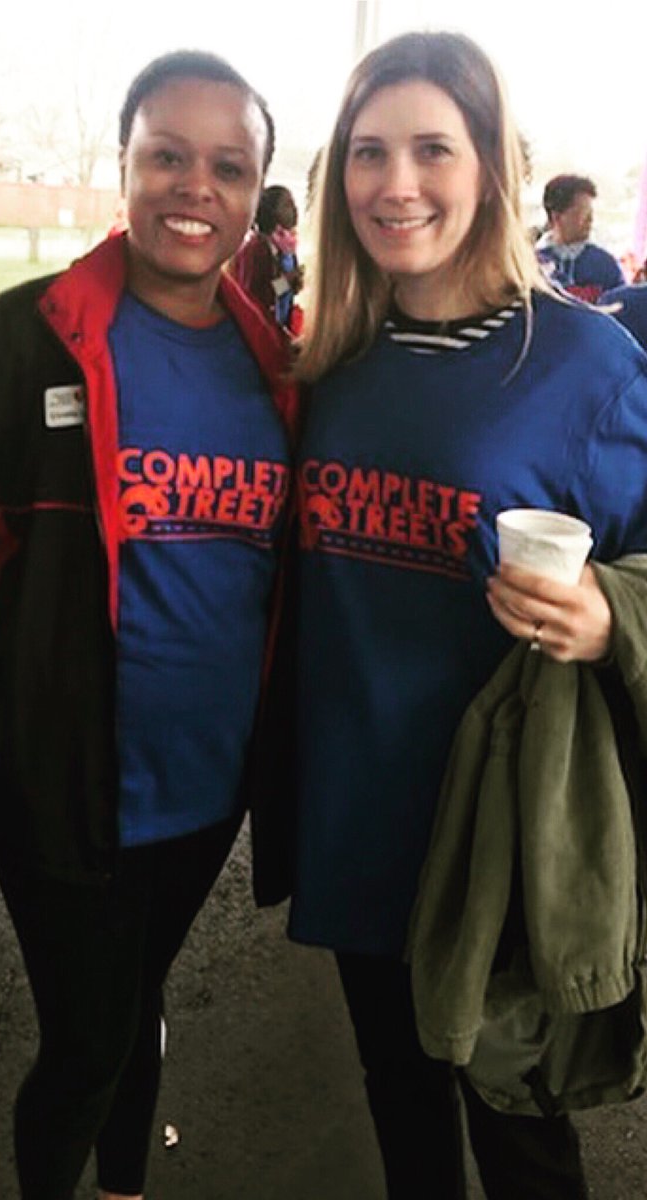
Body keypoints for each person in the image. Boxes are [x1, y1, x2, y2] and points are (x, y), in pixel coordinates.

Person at [281, 31, 647, 1199]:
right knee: (401, 1099)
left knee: (520, 1121)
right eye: (369, 152)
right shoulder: (330, 355)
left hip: (501, 823)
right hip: (354, 807)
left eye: (434, 148)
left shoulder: (588, 364)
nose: (398, 183)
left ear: (491, 165)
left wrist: (610, 619)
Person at [0, 49, 298, 1200]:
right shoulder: (30, 338)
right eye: (167, 155)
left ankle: (125, 1188)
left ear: (257, 189)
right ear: (122, 165)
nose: (194, 188)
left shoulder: (274, 364)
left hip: (205, 792)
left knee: (139, 1001)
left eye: (227, 166)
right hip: (68, 785)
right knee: (83, 1043)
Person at [228, 183, 304, 335]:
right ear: (272, 213)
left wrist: (295, 283)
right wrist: (287, 281)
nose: (295, 210)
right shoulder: (257, 249)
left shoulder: (286, 249)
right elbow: (251, 296)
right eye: (287, 205)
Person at [535, 174, 624, 303]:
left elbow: (622, 310)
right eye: (583, 213)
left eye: (591, 213)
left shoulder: (605, 264)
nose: (590, 220)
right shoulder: (533, 265)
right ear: (557, 217)